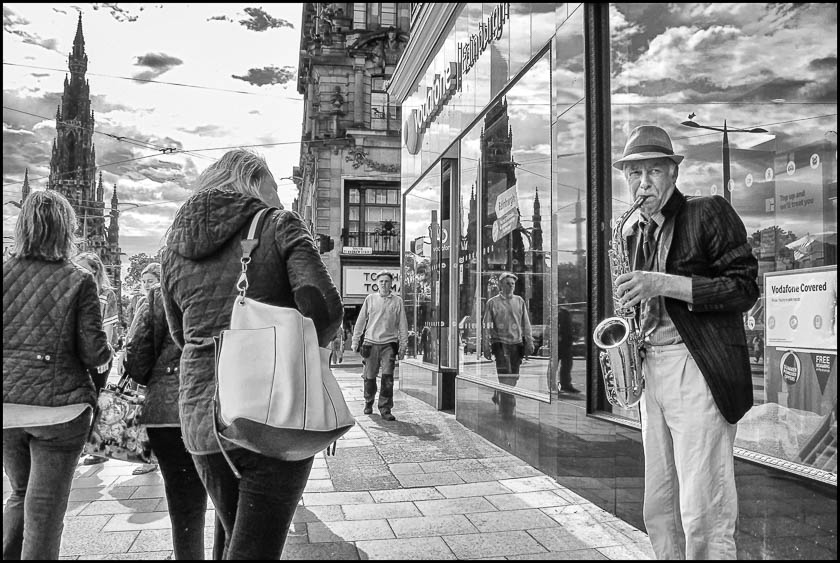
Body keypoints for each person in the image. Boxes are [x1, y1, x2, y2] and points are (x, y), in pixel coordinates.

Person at [160, 148, 343, 559]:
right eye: (275, 187)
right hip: (270, 415)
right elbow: (324, 306)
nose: (278, 198)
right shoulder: (278, 224)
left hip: (201, 419)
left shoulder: (172, 248)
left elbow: (179, 333)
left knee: (234, 536)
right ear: (254, 183)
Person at [612, 124, 759, 560]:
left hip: (695, 369)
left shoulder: (708, 211)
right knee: (659, 508)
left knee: (702, 510)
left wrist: (663, 283)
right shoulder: (633, 232)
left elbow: (743, 288)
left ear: (673, 173)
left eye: (654, 172)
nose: (643, 184)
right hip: (650, 372)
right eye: (634, 173)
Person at [3, 190, 113, 559]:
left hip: (6, 408)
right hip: (60, 410)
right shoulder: (78, 280)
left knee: (20, 493)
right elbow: (96, 353)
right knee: (45, 508)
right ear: (67, 228)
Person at [122, 282, 209, 559]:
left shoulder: (160, 292)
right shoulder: (238, 276)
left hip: (168, 411)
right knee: (233, 506)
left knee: (184, 505)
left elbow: (135, 355)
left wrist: (160, 380)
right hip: (224, 405)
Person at [75, 251, 121, 467]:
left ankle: (98, 448)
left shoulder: (105, 293)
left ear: (95, 270)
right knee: (81, 400)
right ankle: (82, 444)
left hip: (98, 352)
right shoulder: (73, 288)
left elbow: (109, 326)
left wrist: (105, 352)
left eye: (83, 267)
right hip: (77, 355)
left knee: (98, 399)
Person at [351, 271, 408, 421]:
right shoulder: (370, 299)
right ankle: (368, 401)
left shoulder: (397, 301)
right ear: (377, 284)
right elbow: (361, 321)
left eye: (387, 281)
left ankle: (385, 408)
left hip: (389, 344)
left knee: (388, 378)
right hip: (370, 343)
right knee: (369, 377)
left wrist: (403, 346)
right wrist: (355, 341)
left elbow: (402, 325)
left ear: (391, 284)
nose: (384, 284)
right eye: (381, 281)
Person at [125, 262, 163, 475]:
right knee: (140, 410)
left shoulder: (158, 300)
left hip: (150, 364)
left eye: (151, 281)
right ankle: (146, 456)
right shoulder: (138, 301)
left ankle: (150, 458)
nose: (147, 285)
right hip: (138, 359)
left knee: (146, 411)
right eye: (145, 281)